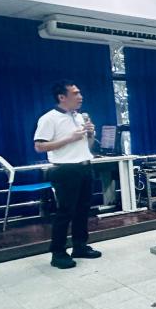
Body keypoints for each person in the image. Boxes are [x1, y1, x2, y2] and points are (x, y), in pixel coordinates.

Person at [33, 81, 102, 269]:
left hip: (85, 166)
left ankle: (80, 246)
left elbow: (87, 146)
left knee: (83, 210)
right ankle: (58, 253)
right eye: (75, 93)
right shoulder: (49, 118)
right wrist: (69, 138)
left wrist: (90, 134)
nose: (80, 97)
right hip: (65, 170)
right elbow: (39, 146)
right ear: (62, 97)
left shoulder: (79, 117)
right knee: (65, 212)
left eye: (80, 93)